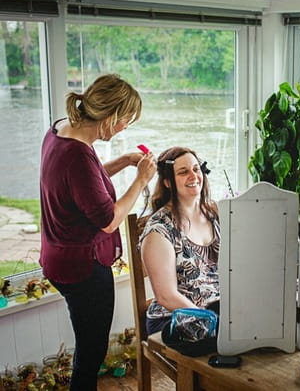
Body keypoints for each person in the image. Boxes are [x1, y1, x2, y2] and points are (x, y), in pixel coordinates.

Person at [39, 74, 156, 391]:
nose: (125, 129)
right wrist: (142, 180)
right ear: (111, 117)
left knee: (86, 346)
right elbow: (108, 219)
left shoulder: (61, 130)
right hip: (82, 269)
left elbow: (82, 186)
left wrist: (123, 161)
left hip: (56, 259)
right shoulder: (78, 155)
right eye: (125, 122)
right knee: (92, 354)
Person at [139, 146, 220, 335]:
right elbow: (166, 297)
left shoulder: (214, 214)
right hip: (174, 317)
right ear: (168, 182)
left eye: (196, 169)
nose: (193, 176)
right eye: (183, 172)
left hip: (215, 308)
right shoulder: (158, 230)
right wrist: (213, 322)